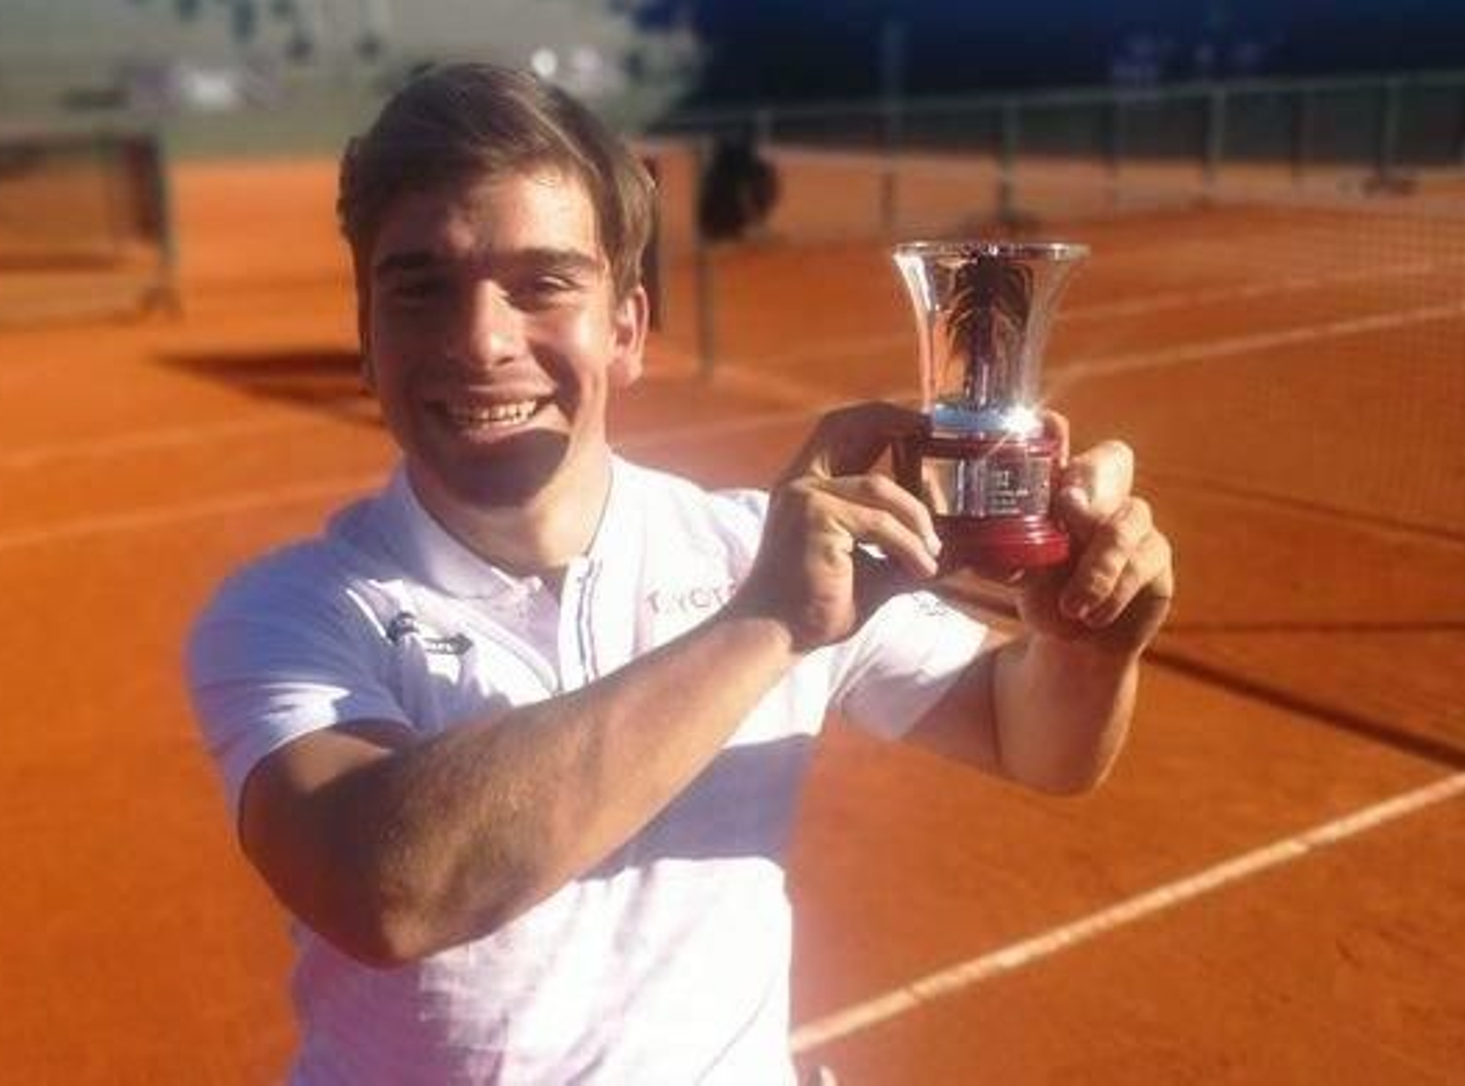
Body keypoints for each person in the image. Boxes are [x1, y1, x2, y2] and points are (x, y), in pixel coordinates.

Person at [186, 62, 1174, 1084]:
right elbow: (387, 891)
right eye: (420, 287)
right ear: (365, 334)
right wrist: (764, 627)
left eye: (542, 284)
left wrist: (1085, 644)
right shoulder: (288, 609)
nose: (480, 340)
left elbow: (1037, 740)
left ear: (626, 330)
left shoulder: (757, 549)